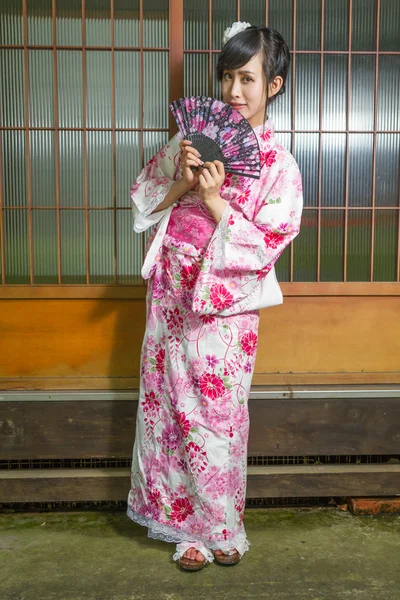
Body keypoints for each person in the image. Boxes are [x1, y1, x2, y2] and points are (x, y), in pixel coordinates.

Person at [127, 22, 303, 571]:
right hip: (170, 293)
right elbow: (144, 204)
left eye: (247, 78)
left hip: (223, 301)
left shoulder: (280, 165)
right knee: (168, 410)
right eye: (227, 76)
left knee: (216, 414)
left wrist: (215, 200)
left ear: (272, 85)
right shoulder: (188, 143)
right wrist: (184, 180)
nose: (234, 91)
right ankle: (184, 528)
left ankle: (221, 524)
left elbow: (268, 243)